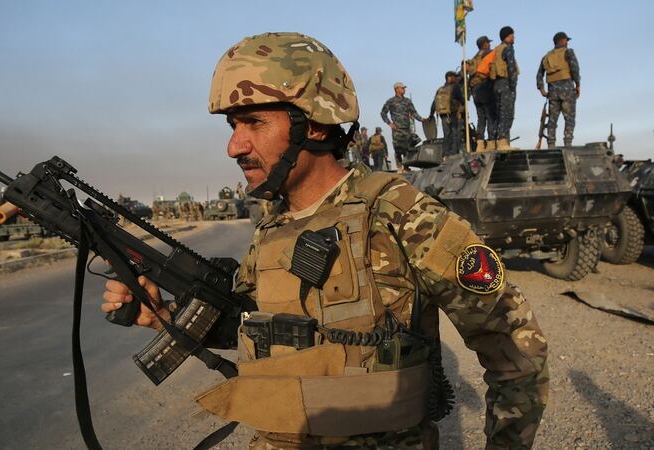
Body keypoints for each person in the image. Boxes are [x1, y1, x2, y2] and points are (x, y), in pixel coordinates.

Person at [102, 32, 548, 450]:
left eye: (253, 123)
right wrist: (165, 317)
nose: (234, 146)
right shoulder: (273, 227)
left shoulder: (400, 214)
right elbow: (256, 336)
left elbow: (516, 346)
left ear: (314, 126)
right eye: (232, 127)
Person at [537, 31, 581, 148]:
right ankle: (568, 143)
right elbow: (575, 69)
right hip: (567, 91)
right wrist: (578, 85)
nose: (567, 43)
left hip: (552, 93)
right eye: (566, 40)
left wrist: (541, 89)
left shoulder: (546, 57)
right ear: (562, 41)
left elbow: (539, 74)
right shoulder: (568, 52)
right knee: (569, 118)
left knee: (552, 120)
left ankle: (551, 144)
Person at [381, 82, 424, 170]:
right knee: (398, 149)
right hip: (397, 129)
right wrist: (389, 123)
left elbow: (413, 112)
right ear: (397, 89)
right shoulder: (391, 101)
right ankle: (400, 167)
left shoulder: (407, 101)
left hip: (407, 128)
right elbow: (383, 113)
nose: (404, 90)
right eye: (402, 88)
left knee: (407, 148)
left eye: (404, 88)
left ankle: (406, 166)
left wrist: (421, 119)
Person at [490, 26, 519, 150]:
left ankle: (496, 142)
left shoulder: (495, 50)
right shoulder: (508, 49)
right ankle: (503, 142)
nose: (514, 38)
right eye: (513, 35)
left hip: (495, 85)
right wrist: (513, 86)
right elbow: (511, 69)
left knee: (499, 113)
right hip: (506, 83)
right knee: (507, 113)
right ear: (508, 36)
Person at [468, 36, 498, 151]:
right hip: (485, 87)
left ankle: (480, 144)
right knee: (491, 116)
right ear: (485, 44)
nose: (490, 45)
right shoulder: (488, 54)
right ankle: (491, 143)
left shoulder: (473, 59)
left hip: (475, 91)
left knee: (481, 117)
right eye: (488, 43)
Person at [430, 71, 465, 157]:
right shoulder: (455, 87)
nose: (456, 79)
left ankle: (445, 153)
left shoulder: (440, 89)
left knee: (446, 134)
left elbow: (434, 103)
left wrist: (431, 114)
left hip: (443, 115)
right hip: (452, 114)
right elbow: (462, 100)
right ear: (449, 77)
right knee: (455, 133)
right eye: (454, 77)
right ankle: (454, 153)